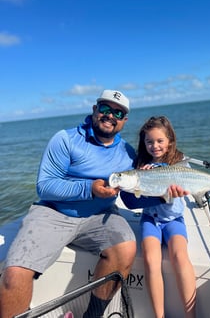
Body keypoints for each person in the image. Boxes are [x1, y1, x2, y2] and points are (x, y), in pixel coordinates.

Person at [0, 90, 137, 318]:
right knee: (15, 273)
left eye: (118, 112)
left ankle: (92, 315)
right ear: (94, 110)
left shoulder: (128, 152)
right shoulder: (65, 139)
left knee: (126, 249)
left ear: (124, 120)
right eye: (105, 109)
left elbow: (133, 198)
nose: (110, 115)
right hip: (53, 212)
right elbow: (45, 186)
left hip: (101, 215)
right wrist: (89, 189)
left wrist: (165, 191)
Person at [129, 116, 196, 318]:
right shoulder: (141, 165)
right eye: (149, 142)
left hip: (174, 219)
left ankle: (191, 315)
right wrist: (141, 178)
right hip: (150, 220)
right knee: (150, 259)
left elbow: (190, 185)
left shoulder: (180, 163)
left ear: (169, 141)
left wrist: (185, 191)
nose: (154, 146)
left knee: (180, 257)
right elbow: (134, 197)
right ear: (144, 143)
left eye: (160, 141)